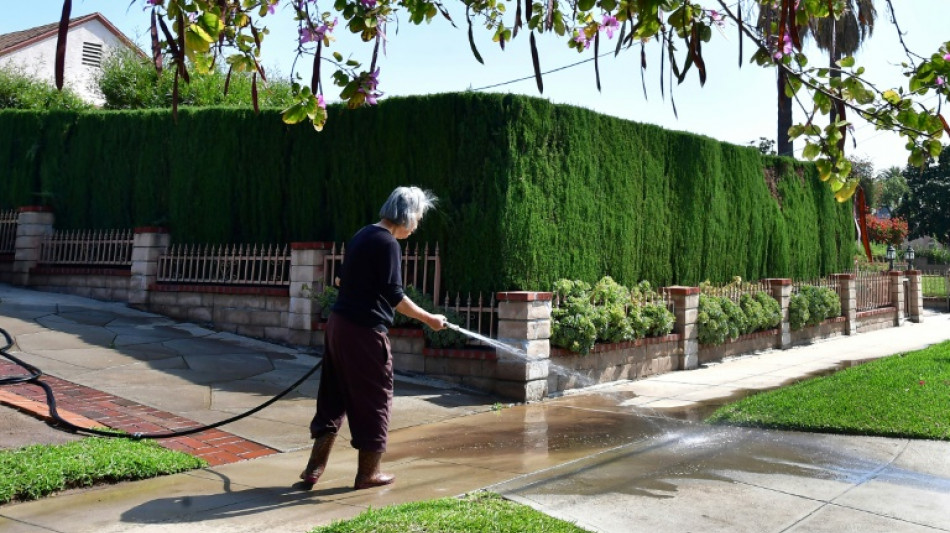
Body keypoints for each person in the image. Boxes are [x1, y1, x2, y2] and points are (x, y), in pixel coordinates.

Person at [300, 186, 446, 490]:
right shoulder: (388, 243)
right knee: (376, 397)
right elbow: (395, 297)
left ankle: (314, 467)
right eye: (417, 217)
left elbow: (341, 278)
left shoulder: (363, 234)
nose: (417, 225)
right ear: (406, 215)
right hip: (364, 332)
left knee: (334, 394)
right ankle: (368, 473)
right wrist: (429, 319)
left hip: (338, 326)